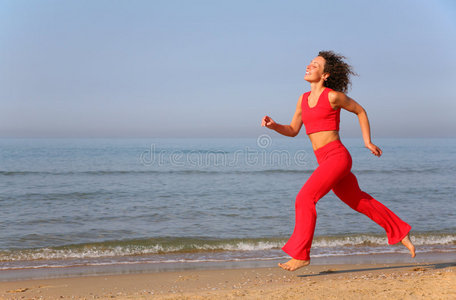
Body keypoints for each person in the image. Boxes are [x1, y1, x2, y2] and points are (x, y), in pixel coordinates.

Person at [261, 50, 416, 272]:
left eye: (315, 65)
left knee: (304, 198)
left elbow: (360, 111)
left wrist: (367, 142)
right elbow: (294, 130)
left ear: (325, 75)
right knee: (359, 201)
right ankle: (401, 231)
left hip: (337, 157)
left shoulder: (333, 96)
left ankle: (301, 255)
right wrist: (274, 125)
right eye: (310, 63)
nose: (309, 66)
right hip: (324, 160)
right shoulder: (303, 99)